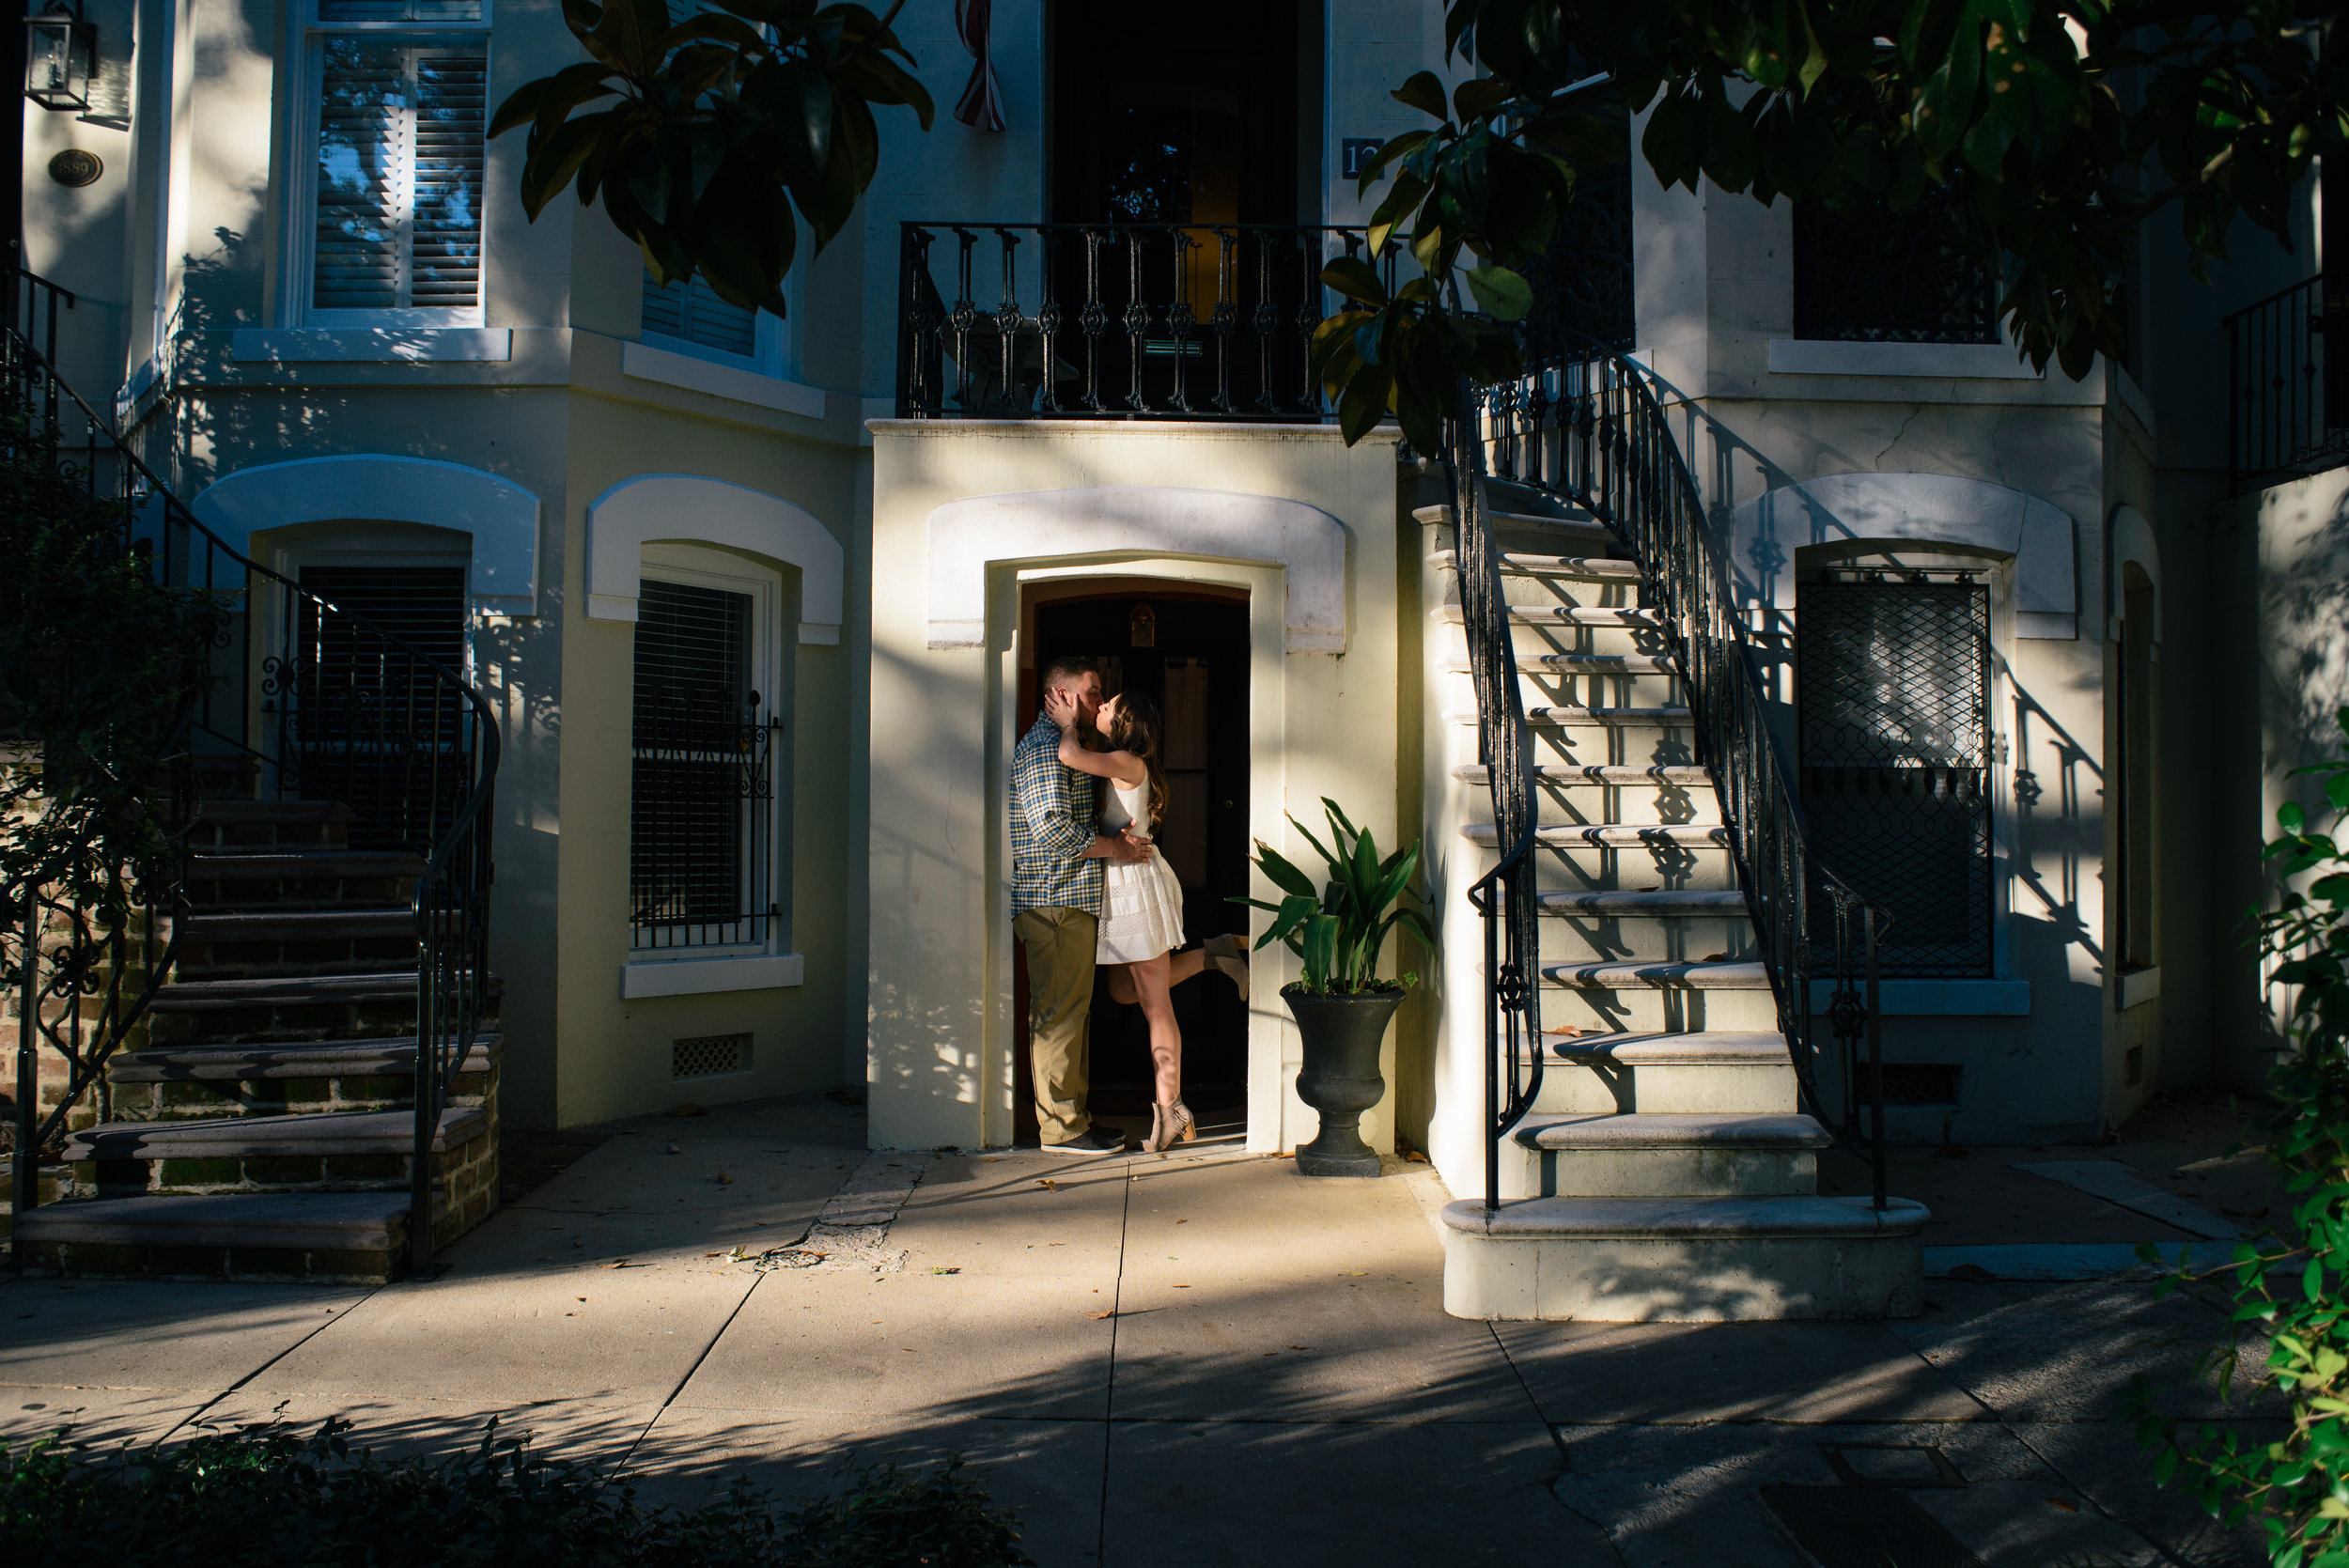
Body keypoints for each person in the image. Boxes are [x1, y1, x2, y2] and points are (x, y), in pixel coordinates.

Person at [1043, 682, 1249, 1154]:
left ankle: (1171, 1111)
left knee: (1156, 1006)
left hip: (1134, 889)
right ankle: (1213, 955)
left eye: (1111, 705)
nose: (1103, 704)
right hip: (1122, 885)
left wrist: (1068, 723)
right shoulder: (1122, 760)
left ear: (1126, 723)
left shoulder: (1126, 761)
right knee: (1121, 991)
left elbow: (1069, 755)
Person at [1011, 656, 1154, 1154]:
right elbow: (1051, 828)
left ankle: (1077, 1120)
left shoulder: (1066, 747)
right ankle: (1061, 1129)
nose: (1098, 700)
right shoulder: (1044, 748)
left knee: (1072, 1013)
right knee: (1058, 1016)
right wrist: (1116, 848)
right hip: (1053, 900)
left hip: (1068, 901)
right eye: (1093, 692)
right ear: (1065, 695)